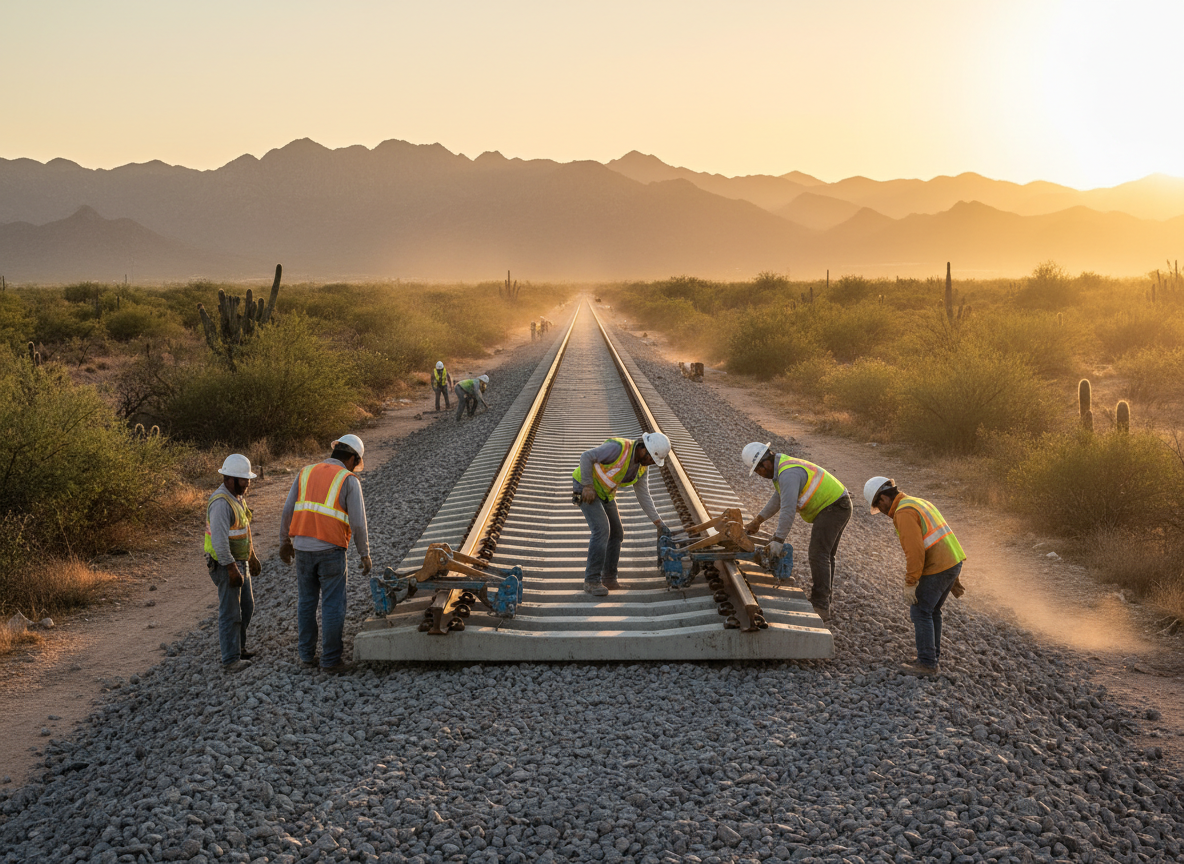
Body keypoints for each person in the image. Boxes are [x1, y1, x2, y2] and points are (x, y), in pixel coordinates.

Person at [279, 434, 373, 673]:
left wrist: (284, 541)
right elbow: (359, 524)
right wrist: (364, 553)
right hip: (331, 551)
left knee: (306, 602)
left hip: (301, 549)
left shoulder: (306, 473)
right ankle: (331, 660)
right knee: (333, 605)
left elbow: (288, 509)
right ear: (352, 458)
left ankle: (306, 655)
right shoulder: (348, 480)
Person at [864, 476, 967, 677]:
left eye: (878, 505)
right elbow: (944, 535)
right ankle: (931, 656)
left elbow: (915, 552)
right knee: (932, 610)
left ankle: (927, 664)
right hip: (952, 561)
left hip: (938, 566)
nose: (882, 511)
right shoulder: (918, 501)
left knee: (920, 612)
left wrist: (911, 582)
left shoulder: (903, 512)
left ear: (884, 498)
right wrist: (953, 573)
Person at [741, 443, 850, 622]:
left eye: (758, 471)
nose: (760, 476)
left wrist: (778, 539)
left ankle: (821, 606)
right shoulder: (782, 469)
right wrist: (757, 521)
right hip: (838, 504)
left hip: (834, 507)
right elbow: (779, 498)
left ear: (765, 464)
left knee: (818, 554)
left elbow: (788, 508)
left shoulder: (788, 474)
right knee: (826, 555)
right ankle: (824, 601)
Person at [573, 432, 671, 595]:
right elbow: (586, 456)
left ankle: (609, 579)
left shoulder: (641, 468)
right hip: (585, 488)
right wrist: (588, 486)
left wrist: (658, 522)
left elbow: (643, 495)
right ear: (643, 449)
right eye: (651, 459)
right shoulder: (618, 449)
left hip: (604, 493)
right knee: (602, 530)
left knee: (617, 532)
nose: (651, 464)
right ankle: (591, 581)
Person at [204, 454, 261, 674]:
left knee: (247, 607)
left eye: (247, 480)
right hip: (225, 564)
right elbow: (219, 541)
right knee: (231, 612)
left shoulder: (237, 498)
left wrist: (252, 556)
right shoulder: (221, 503)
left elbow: (244, 529)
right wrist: (230, 568)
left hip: (240, 561)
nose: (247, 484)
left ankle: (239, 647)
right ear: (228, 479)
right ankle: (230, 659)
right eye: (243, 480)